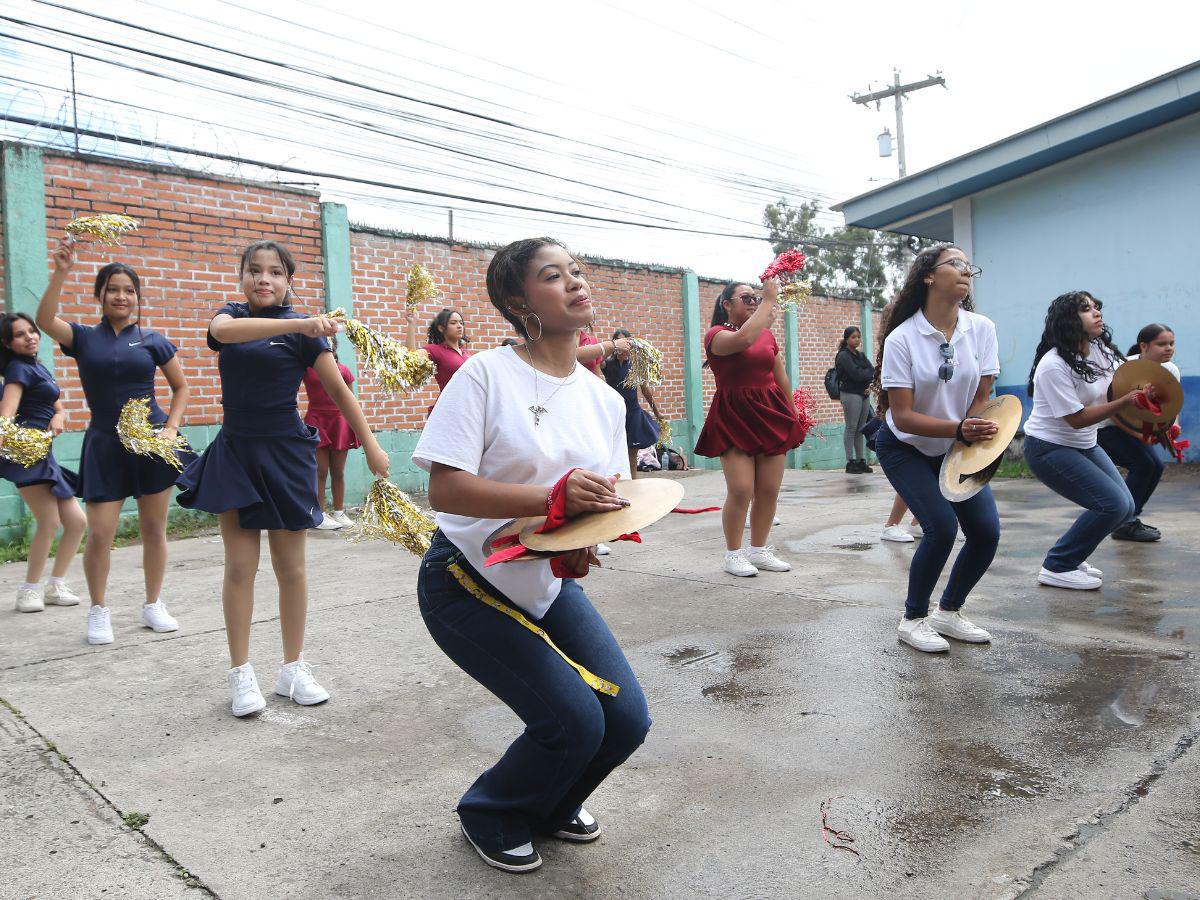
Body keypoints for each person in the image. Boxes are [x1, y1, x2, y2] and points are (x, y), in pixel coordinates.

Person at [413, 237, 650, 874]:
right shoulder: (485, 374)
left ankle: (548, 803)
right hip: (464, 582)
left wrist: (577, 548)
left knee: (625, 721)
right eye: (554, 276)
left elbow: (592, 505)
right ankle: (489, 812)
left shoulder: (603, 399)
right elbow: (444, 486)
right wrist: (552, 499)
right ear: (520, 302)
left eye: (577, 271)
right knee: (573, 720)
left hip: (545, 583)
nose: (576, 283)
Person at [176, 241, 389, 717]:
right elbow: (224, 333)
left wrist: (370, 443)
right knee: (240, 568)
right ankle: (241, 673)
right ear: (243, 278)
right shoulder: (232, 317)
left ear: (289, 281)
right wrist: (300, 323)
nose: (264, 279)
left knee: (291, 569)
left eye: (275, 272)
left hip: (287, 455)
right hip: (237, 454)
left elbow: (338, 389)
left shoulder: (307, 336)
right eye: (255, 271)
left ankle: (292, 668)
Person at [37, 240, 190, 646]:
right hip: (105, 444)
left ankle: (153, 603)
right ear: (100, 296)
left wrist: (171, 429)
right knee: (101, 533)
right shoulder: (84, 338)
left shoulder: (154, 340)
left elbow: (181, 387)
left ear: (138, 297)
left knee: (155, 528)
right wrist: (61, 272)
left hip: (151, 443)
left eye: (129, 290)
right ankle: (98, 610)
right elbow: (45, 318)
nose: (122, 296)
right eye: (113, 289)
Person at [870, 243, 1001, 653]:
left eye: (969, 266)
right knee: (941, 527)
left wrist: (972, 428)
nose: (966, 271)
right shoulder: (902, 338)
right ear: (928, 275)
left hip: (955, 446)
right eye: (955, 264)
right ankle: (913, 619)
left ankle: (949, 612)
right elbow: (904, 415)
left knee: (986, 532)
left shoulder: (982, 329)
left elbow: (984, 392)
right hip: (904, 446)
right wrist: (960, 428)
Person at [1024, 292, 1142, 590]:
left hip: (1085, 443)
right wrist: (1126, 401)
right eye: (1087, 309)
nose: (1097, 312)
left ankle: (1072, 557)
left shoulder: (1100, 350)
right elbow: (1076, 418)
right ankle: (1058, 565)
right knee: (1112, 505)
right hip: (1049, 448)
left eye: (1096, 307)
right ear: (1069, 320)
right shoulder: (1053, 365)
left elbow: (1125, 383)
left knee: (1126, 507)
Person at [694, 281, 803, 577]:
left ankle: (759, 550)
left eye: (755, 297)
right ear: (727, 304)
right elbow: (742, 340)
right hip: (734, 416)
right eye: (746, 298)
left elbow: (781, 379)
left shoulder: (767, 336)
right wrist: (769, 299)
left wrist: (793, 415)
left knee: (768, 490)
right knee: (741, 490)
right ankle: (733, 554)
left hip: (770, 414)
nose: (754, 301)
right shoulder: (717, 335)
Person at [0, 313, 87, 613]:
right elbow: (6, 414)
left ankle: (55, 585)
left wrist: (59, 414)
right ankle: (29, 591)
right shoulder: (16, 369)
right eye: (20, 334)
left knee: (77, 522)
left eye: (32, 331)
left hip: (44, 453)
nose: (30, 337)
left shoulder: (37, 366)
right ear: (8, 344)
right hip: (27, 455)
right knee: (49, 522)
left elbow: (55, 401)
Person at [1096, 323, 1180, 542]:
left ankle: (1129, 519)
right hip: (1106, 427)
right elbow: (1113, 410)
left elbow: (1171, 406)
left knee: (1155, 466)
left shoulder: (1171, 369)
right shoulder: (1123, 367)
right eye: (1161, 344)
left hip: (1134, 427)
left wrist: (1172, 426)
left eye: (1171, 343)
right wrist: (1139, 436)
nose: (1168, 348)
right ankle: (1124, 522)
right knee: (1143, 465)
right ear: (1144, 345)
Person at [302, 335, 359, 531]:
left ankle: (339, 512)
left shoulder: (344, 370)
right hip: (317, 420)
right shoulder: (308, 368)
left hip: (340, 422)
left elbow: (350, 400)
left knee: (338, 471)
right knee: (320, 470)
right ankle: (319, 513)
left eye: (330, 341)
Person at [602, 328, 663, 478]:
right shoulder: (607, 364)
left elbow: (645, 390)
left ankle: (633, 483)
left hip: (632, 413)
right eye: (618, 342)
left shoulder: (635, 366)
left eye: (626, 341)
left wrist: (657, 412)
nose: (623, 346)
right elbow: (596, 362)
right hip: (614, 414)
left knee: (631, 454)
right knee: (612, 453)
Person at [405, 307, 472, 396]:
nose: (459, 326)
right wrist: (411, 324)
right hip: (449, 406)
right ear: (441, 328)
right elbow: (410, 359)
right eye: (453, 323)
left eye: (461, 323)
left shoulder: (465, 353)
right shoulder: (435, 350)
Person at [835, 326, 875, 473]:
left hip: (863, 394)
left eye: (858, 337)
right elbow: (856, 374)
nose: (857, 339)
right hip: (850, 394)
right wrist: (866, 373)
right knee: (851, 427)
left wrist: (865, 374)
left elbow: (872, 370)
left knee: (861, 428)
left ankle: (860, 460)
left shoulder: (860, 355)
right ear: (846, 339)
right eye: (853, 337)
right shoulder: (843, 355)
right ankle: (850, 461)